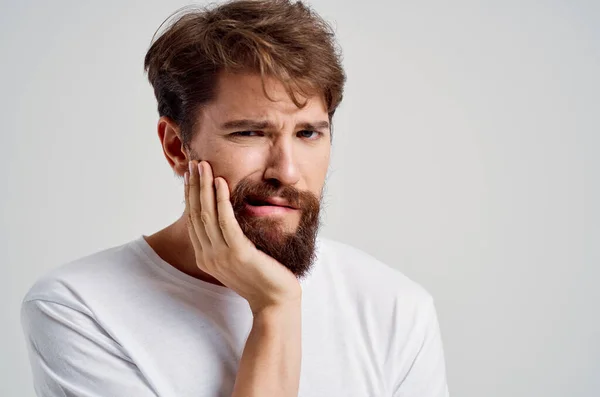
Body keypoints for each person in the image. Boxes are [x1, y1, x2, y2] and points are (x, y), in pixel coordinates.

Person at [21, 1, 449, 396]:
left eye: (307, 134)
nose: (287, 170)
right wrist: (275, 309)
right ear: (176, 146)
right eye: (250, 132)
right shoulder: (79, 308)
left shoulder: (396, 309)